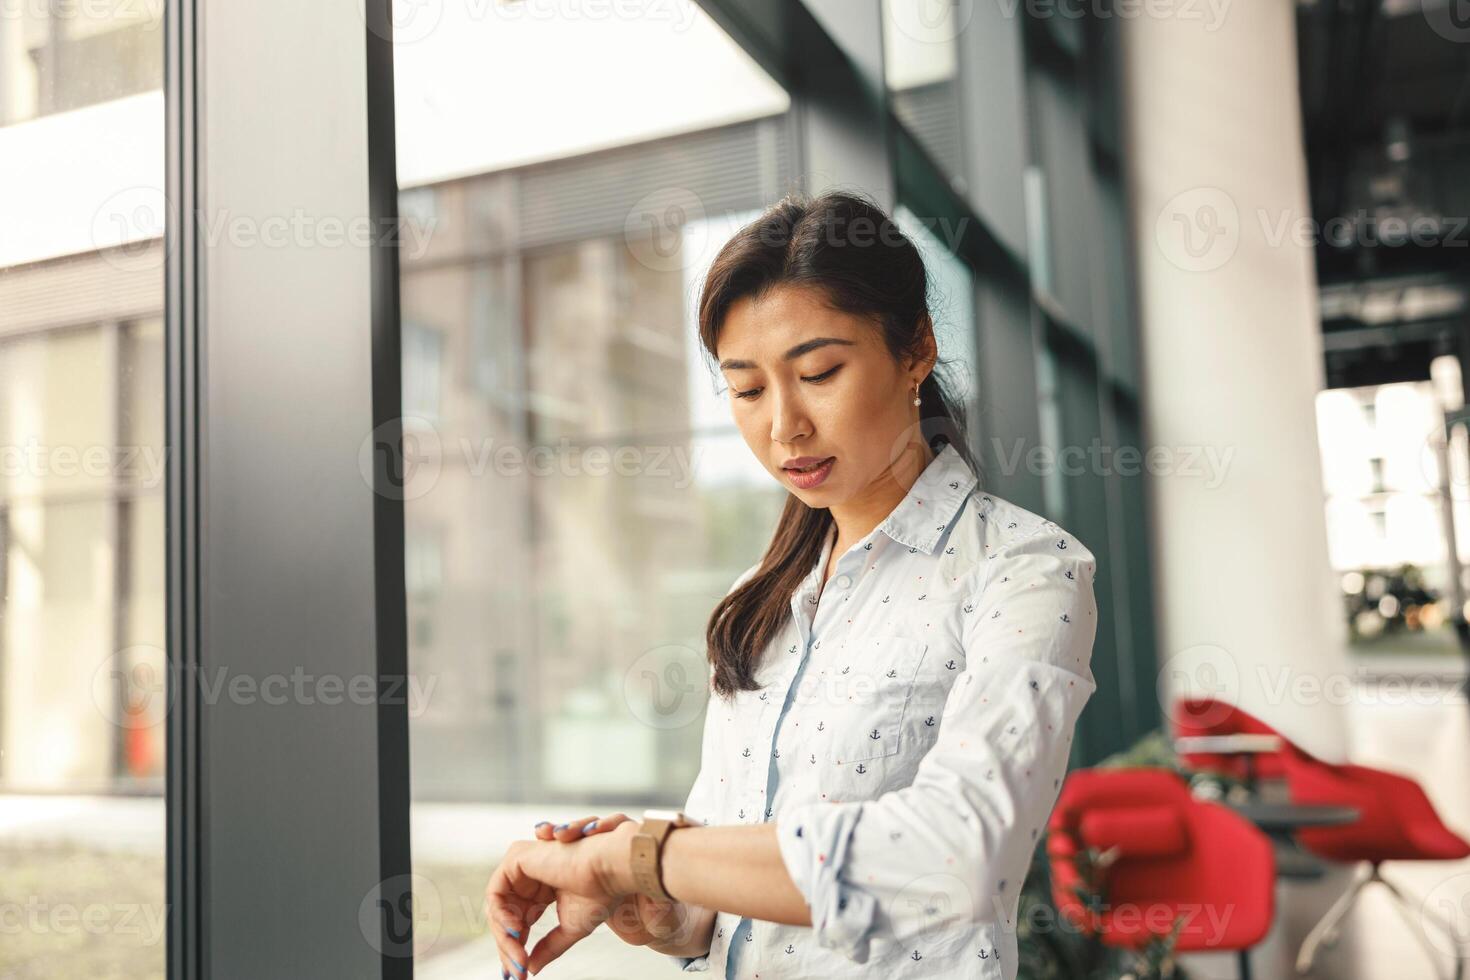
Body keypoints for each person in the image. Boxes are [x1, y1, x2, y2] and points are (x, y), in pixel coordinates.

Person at [485, 189, 1099, 980]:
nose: (783, 427)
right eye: (746, 389)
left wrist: (650, 855)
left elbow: (954, 853)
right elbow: (712, 911)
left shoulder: (1022, 570)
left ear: (916, 349)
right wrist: (648, 900)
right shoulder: (762, 600)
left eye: (818, 371)